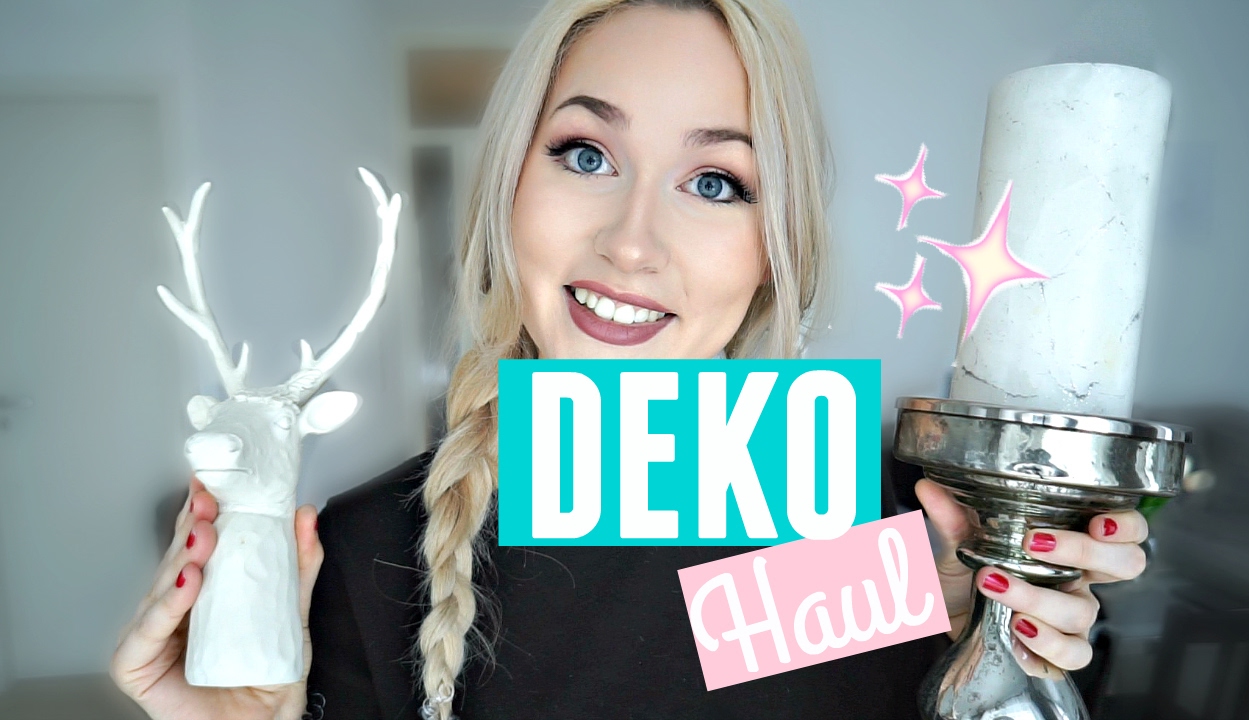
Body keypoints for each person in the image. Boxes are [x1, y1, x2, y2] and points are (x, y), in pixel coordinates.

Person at [111, 0, 1151, 718]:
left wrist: (988, 635)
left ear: (774, 247)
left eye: (715, 182)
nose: (632, 244)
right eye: (585, 154)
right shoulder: (363, 557)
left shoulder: (912, 536)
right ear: (508, 189)